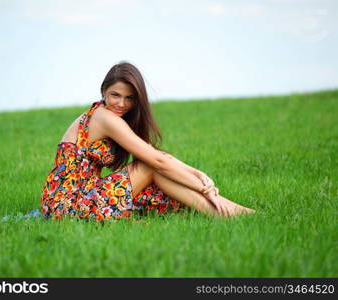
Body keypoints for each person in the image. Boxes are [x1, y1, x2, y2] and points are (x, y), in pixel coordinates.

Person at [40, 61, 256, 221]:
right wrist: (206, 190)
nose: (121, 104)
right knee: (150, 167)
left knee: (167, 193)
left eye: (129, 98)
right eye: (115, 95)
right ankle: (231, 213)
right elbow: (156, 163)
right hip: (67, 207)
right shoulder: (103, 117)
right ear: (103, 92)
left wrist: (198, 175)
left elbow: (160, 156)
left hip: (84, 196)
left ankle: (236, 212)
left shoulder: (107, 116)